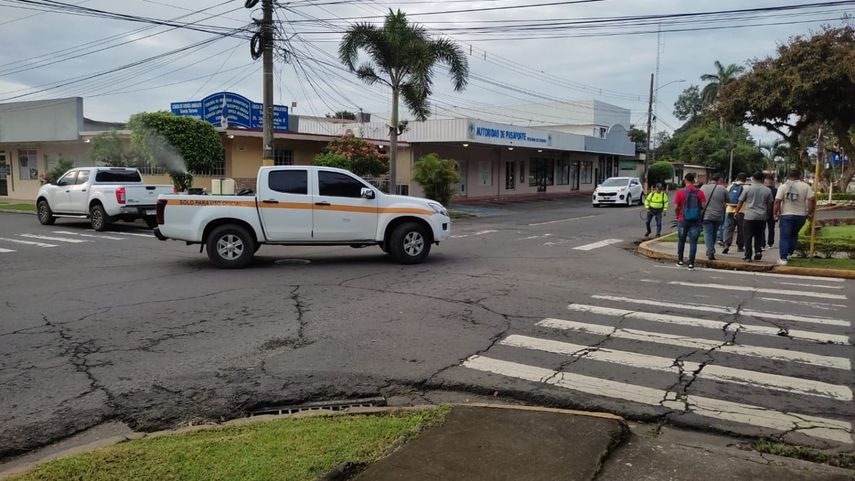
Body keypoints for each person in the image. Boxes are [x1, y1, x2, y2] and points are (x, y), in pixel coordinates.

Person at [774, 169, 815, 265]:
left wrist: (775, 213)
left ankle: (783, 258)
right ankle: (789, 253)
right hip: (801, 216)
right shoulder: (806, 186)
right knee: (794, 234)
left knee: (784, 237)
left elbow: (777, 201)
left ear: (788, 176)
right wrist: (810, 212)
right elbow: (811, 200)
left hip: (786, 215)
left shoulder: (783, 187)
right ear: (799, 176)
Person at [736, 171, 774, 262]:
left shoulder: (748, 189)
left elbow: (740, 201)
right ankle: (758, 251)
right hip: (761, 217)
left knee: (747, 236)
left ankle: (748, 256)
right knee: (759, 235)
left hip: (749, 216)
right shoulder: (767, 190)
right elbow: (769, 204)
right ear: (763, 179)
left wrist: (736, 211)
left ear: (753, 178)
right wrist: (767, 214)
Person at [673, 173, 706, 270]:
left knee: (681, 240)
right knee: (693, 242)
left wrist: (677, 215)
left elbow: (675, 207)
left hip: (682, 219)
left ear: (685, 180)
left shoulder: (680, 192)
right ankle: (691, 263)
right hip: (695, 220)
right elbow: (703, 206)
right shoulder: (699, 192)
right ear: (693, 180)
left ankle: (680, 260)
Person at [700, 174, 727, 261]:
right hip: (718, 215)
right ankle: (710, 250)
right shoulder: (722, 189)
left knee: (708, 233)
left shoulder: (703, 187)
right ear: (719, 180)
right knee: (714, 233)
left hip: (706, 215)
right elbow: (728, 200)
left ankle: (710, 251)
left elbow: (699, 199)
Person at [722, 172, 747, 254]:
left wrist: (726, 206)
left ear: (737, 178)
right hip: (742, 211)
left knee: (728, 228)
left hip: (730, 210)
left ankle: (726, 244)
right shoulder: (747, 187)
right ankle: (740, 246)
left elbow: (725, 198)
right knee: (741, 230)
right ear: (745, 179)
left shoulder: (730, 186)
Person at [763, 174, 778, 248]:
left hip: (762, 211)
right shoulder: (775, 190)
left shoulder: (763, 189)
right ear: (772, 181)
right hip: (772, 211)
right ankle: (770, 243)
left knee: (762, 228)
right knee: (771, 228)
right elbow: (777, 202)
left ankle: (762, 243)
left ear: (765, 181)